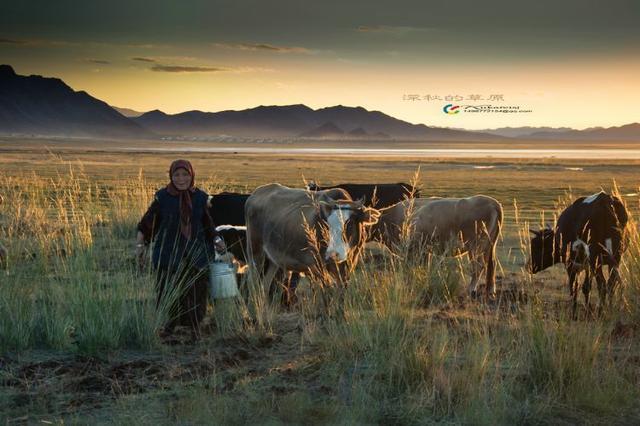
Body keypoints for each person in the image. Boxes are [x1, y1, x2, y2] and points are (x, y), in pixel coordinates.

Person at [135, 159, 225, 339]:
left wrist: (216, 239)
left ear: (191, 176)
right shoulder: (162, 197)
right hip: (169, 253)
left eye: (185, 174)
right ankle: (169, 326)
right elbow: (147, 224)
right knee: (167, 288)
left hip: (197, 254)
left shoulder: (200, 197)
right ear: (171, 176)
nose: (181, 179)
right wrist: (140, 245)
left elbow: (208, 224)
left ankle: (194, 327)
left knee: (197, 291)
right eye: (176, 175)